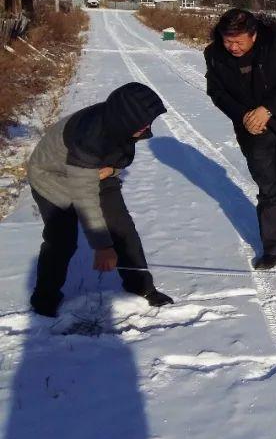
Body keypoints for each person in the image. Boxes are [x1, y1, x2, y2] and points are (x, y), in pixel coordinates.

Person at [26, 83, 173, 317]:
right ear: (126, 118)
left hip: (92, 171)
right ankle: (44, 300)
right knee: (61, 240)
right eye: (143, 121)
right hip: (52, 177)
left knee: (123, 230)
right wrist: (102, 247)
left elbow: (115, 163)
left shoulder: (122, 124)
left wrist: (110, 172)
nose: (148, 127)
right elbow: (85, 199)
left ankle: (141, 286)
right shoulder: (90, 137)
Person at [204, 9, 276, 270]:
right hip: (252, 130)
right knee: (268, 188)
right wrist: (243, 116)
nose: (232, 47)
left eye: (238, 41)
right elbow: (216, 92)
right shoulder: (214, 54)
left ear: (253, 35)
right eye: (227, 41)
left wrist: (268, 109)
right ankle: (274, 248)